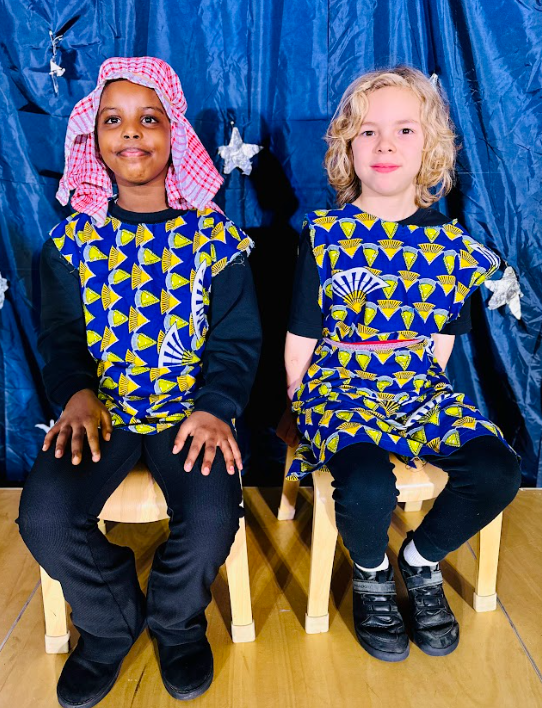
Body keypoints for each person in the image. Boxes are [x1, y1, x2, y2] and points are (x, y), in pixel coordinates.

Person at [17, 57, 261, 707]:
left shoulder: (216, 238)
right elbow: (61, 338)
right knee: (44, 515)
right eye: (114, 120)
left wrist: (216, 407)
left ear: (175, 133)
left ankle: (177, 623)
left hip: (190, 413)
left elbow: (237, 339)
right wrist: (76, 396)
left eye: (149, 119)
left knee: (213, 516)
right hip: (105, 412)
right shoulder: (70, 243)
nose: (131, 132)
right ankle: (109, 622)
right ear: (92, 138)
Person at [278, 66, 521, 663]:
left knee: (497, 469)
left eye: (404, 130)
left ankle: (418, 560)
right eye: (368, 132)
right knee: (364, 484)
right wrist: (299, 405)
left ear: (430, 146)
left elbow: (441, 342)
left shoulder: (454, 247)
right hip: (337, 385)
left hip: (417, 388)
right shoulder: (324, 236)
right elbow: (302, 334)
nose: (385, 144)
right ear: (348, 148)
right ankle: (371, 572)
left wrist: (421, 397)